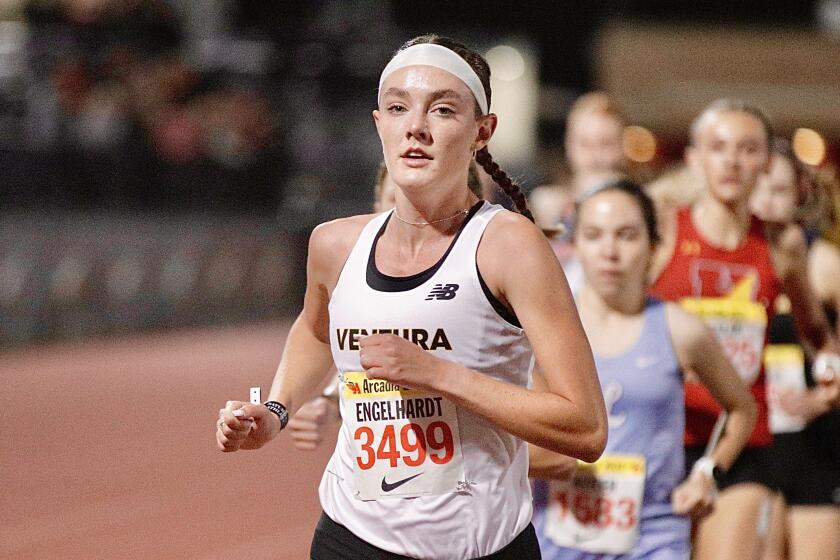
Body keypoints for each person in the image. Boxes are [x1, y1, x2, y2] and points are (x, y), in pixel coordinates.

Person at [216, 34, 608, 560]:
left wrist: (437, 373)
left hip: (480, 547)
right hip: (351, 538)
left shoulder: (509, 246)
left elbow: (585, 427)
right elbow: (314, 332)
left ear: (482, 132)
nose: (415, 126)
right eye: (398, 107)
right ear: (380, 124)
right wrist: (276, 411)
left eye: (442, 110)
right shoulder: (334, 243)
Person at [649, 99, 839, 560]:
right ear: (695, 159)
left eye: (747, 148)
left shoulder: (781, 244)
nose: (732, 161)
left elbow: (815, 327)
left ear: (766, 162)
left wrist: (829, 374)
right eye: (718, 147)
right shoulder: (664, 229)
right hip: (662, 438)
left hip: (741, 443)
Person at [529, 179, 756, 559]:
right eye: (594, 235)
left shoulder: (679, 329)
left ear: (654, 245)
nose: (610, 251)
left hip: (653, 537)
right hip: (555, 536)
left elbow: (742, 408)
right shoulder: (540, 327)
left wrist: (707, 474)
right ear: (576, 245)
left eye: (627, 235)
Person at [289, 160, 485, 451]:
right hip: (372, 490)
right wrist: (326, 401)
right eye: (395, 201)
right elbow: (328, 337)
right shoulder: (353, 271)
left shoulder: (488, 269)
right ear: (376, 207)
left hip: (478, 480)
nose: (410, 212)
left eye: (424, 199)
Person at [748, 138, 840, 560]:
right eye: (757, 187)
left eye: (778, 190)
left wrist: (820, 398)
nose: (765, 201)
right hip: (752, 443)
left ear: (800, 193)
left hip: (814, 446)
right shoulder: (735, 260)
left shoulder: (823, 261)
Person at [529, 92, 629, 293]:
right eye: (584, 144)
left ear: (622, 146)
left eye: (606, 143)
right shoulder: (548, 205)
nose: (595, 155)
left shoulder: (643, 207)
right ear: (569, 145)